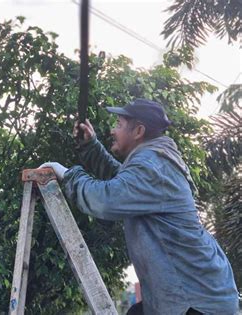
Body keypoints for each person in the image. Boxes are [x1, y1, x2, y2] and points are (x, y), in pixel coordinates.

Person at [40, 98, 239, 315]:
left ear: (138, 131)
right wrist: (90, 147)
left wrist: (66, 173)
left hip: (196, 302)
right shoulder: (153, 161)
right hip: (196, 295)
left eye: (118, 124)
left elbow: (105, 200)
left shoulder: (152, 165)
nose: (113, 131)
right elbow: (122, 183)